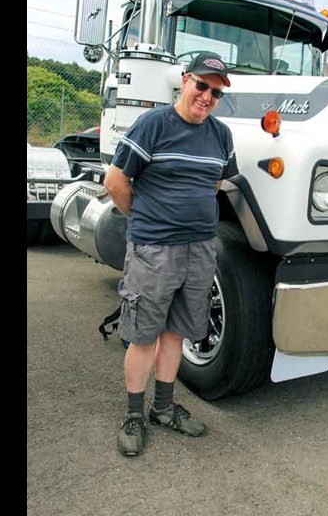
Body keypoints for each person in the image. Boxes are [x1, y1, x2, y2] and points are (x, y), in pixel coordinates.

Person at [103, 51, 238, 457]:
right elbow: (115, 182)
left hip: (200, 249)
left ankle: (163, 409)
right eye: (202, 85)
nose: (207, 97)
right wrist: (145, 220)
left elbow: (215, 183)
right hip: (154, 250)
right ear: (185, 80)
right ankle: (133, 415)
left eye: (216, 92)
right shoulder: (153, 125)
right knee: (143, 335)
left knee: (176, 332)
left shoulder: (221, 135)